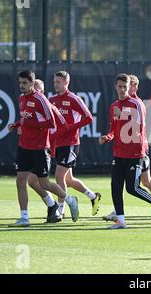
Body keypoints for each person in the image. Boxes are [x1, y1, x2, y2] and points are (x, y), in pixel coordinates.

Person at [7, 70, 79, 227]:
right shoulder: (21, 99)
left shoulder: (41, 99)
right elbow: (26, 118)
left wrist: (28, 124)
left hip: (40, 148)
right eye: (20, 83)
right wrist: (17, 124)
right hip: (24, 146)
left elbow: (51, 123)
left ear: (32, 83)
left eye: (25, 83)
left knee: (44, 184)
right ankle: (24, 218)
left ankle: (69, 200)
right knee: (20, 181)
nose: (22, 86)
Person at [98, 73, 151, 229]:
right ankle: (120, 220)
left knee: (132, 188)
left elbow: (138, 127)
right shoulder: (114, 105)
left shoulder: (136, 104)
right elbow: (113, 129)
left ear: (130, 87)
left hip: (135, 152)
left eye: (125, 87)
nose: (122, 89)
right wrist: (107, 137)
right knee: (115, 185)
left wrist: (122, 115)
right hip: (119, 152)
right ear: (115, 86)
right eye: (120, 86)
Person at [48, 71, 101, 218]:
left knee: (59, 177)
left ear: (66, 83)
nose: (56, 84)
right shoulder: (51, 100)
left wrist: (70, 127)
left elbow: (88, 117)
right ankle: (93, 197)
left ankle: (61, 210)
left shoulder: (73, 99)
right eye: (54, 82)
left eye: (58, 82)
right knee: (68, 180)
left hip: (71, 143)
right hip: (58, 143)